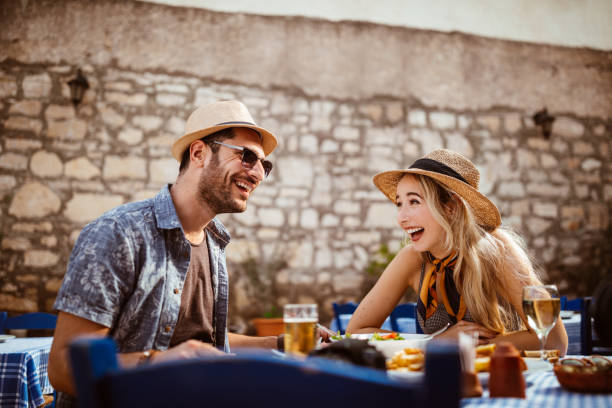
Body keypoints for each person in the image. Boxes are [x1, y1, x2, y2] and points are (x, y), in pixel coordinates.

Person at [49, 101, 293, 406]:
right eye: (246, 156)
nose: (258, 173)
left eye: (264, 165)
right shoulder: (118, 233)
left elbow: (205, 345)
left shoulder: (215, 243)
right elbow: (62, 367)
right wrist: (159, 362)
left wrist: (283, 342)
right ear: (199, 153)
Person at [346, 149, 568, 354]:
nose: (402, 218)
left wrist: (465, 345)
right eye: (399, 203)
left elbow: (554, 340)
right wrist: (436, 343)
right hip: (441, 385)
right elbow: (355, 332)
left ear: (451, 208)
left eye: (414, 202)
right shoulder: (412, 258)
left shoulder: (496, 250)